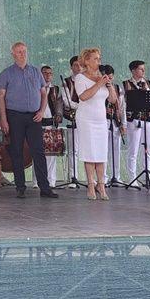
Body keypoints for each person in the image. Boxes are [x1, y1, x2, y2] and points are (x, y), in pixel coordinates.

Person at [0, 41, 58, 199]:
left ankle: (45, 188)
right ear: (13, 54)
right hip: (14, 116)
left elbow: (43, 93)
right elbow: (0, 97)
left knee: (38, 151)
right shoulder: (6, 73)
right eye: (19, 51)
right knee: (16, 150)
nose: (22, 54)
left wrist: (42, 111)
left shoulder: (36, 72)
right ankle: (20, 186)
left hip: (34, 116)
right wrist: (3, 119)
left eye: (24, 51)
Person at [73, 48, 117, 200]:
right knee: (90, 153)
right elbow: (84, 96)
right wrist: (99, 83)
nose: (99, 61)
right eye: (95, 59)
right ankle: (91, 186)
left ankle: (101, 186)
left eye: (99, 58)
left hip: (101, 120)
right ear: (86, 61)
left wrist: (109, 85)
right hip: (86, 119)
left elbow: (113, 100)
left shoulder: (102, 78)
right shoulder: (80, 78)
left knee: (101, 153)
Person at [122, 60, 150, 187]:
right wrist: (124, 123)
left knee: (147, 149)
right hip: (134, 120)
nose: (143, 71)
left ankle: (146, 176)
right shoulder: (126, 84)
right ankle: (132, 178)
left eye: (144, 69)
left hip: (148, 120)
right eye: (140, 69)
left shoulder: (148, 83)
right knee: (133, 150)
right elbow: (123, 105)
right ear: (133, 70)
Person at [33, 65, 64, 188]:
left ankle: (51, 181)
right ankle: (36, 181)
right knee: (37, 153)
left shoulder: (55, 89)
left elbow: (59, 104)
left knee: (52, 153)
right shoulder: (35, 88)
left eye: (50, 73)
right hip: (37, 123)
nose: (48, 75)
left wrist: (59, 115)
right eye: (45, 73)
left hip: (51, 123)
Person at [102, 64, 126, 185]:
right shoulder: (99, 88)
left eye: (111, 78)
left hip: (115, 121)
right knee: (103, 150)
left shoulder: (117, 88)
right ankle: (103, 177)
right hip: (102, 121)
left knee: (116, 150)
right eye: (107, 78)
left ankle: (116, 175)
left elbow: (122, 106)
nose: (109, 80)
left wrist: (123, 123)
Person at [60, 55, 82, 188]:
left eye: (80, 65)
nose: (78, 67)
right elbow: (67, 101)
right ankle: (73, 177)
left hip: (87, 120)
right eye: (75, 65)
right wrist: (83, 106)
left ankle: (92, 178)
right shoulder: (66, 82)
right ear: (71, 67)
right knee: (73, 150)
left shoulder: (88, 81)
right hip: (73, 119)